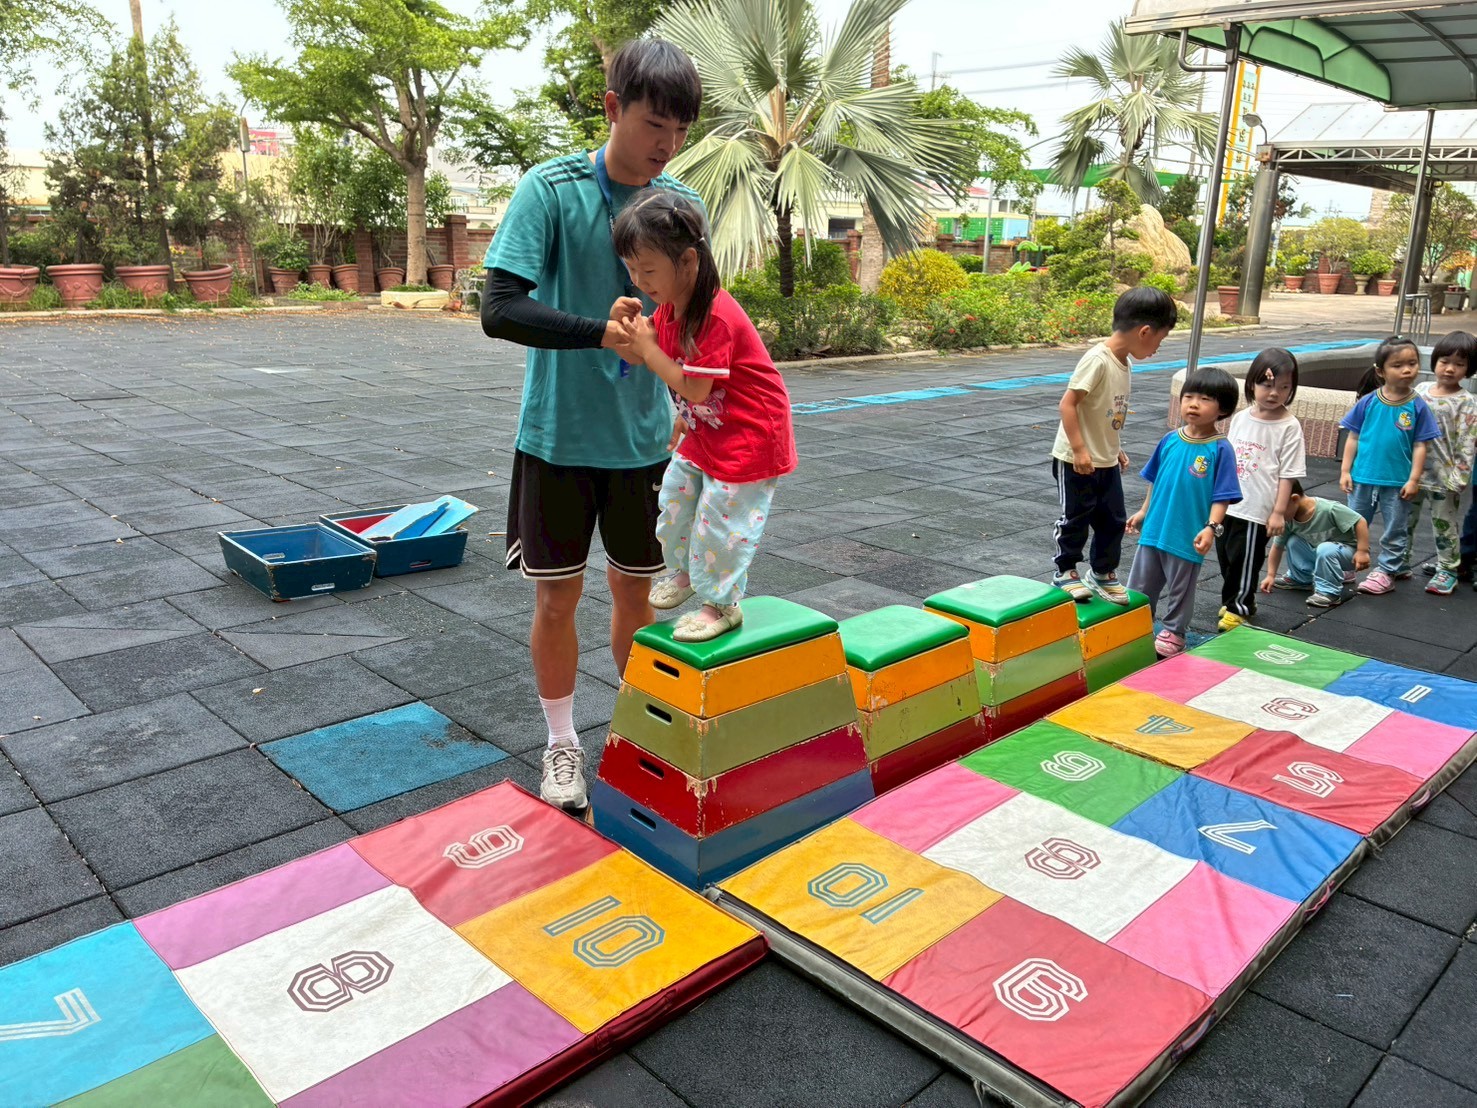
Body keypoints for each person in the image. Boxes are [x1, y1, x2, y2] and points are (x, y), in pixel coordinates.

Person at [480, 40, 704, 812]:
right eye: (653, 125)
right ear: (612, 108)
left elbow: (694, 319)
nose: (666, 145)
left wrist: (689, 409)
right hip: (558, 439)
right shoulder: (551, 190)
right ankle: (561, 744)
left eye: (680, 130)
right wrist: (599, 333)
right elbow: (498, 308)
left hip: (644, 445)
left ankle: (640, 735)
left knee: (637, 600)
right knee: (556, 600)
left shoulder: (680, 204)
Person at [610, 192, 796, 642]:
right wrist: (623, 327)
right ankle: (688, 573)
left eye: (648, 270)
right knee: (674, 499)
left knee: (722, 523)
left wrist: (649, 347)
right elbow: (638, 356)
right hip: (708, 430)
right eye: (631, 269)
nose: (638, 281)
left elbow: (694, 387)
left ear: (688, 260)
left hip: (749, 435)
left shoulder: (715, 314)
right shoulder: (671, 307)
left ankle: (722, 604)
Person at [1049, 286, 1179, 604]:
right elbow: (1068, 404)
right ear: (1144, 331)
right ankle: (1065, 570)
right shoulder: (1098, 360)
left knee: (1113, 519)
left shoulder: (1124, 363)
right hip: (1076, 459)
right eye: (1160, 340)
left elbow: (1104, 413)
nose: (1158, 348)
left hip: (1104, 458)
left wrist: (1114, 446)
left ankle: (1102, 572)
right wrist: (1079, 450)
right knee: (1076, 517)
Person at [1126, 367, 1242, 657]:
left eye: (1204, 399)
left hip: (1186, 533)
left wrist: (1210, 527)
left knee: (1181, 587)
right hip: (1155, 528)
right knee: (1140, 584)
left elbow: (1222, 496)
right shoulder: (1170, 440)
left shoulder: (1220, 449)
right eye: (1188, 396)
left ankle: (1174, 631)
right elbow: (1155, 480)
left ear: (1222, 409)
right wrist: (1143, 512)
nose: (1193, 404)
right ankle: (1137, 623)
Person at [1338, 336, 1440, 596]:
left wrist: (1413, 479)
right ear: (1381, 371)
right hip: (1362, 477)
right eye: (1398, 365)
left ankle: (1387, 569)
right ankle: (1349, 563)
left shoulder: (1417, 405)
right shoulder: (1369, 402)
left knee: (1395, 527)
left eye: (1412, 363)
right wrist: (1346, 471)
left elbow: (1420, 445)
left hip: (1397, 481)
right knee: (1353, 523)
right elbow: (1353, 437)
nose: (1407, 370)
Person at [1216, 348, 1306, 632]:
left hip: (1257, 509)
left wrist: (1278, 512)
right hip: (1230, 503)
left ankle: (1239, 607)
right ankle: (1236, 598)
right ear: (1252, 383)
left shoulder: (1289, 426)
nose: (1274, 393)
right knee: (1226, 555)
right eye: (1267, 385)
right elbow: (1228, 459)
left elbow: (1288, 474)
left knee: (1245, 560)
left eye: (1284, 387)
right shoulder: (1241, 418)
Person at [1408, 331, 1477, 595]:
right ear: (1435, 361)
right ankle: (1398, 561)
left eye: (1459, 364)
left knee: (1444, 525)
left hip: (1444, 477)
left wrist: (1460, 477)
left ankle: (1447, 569)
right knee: (1404, 521)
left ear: (1468, 369)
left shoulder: (1466, 402)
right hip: (1412, 474)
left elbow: (1468, 442)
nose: (1449, 369)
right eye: (1444, 361)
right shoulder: (1419, 392)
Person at [1262, 480, 1371, 607]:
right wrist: (1270, 575)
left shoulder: (1328, 509)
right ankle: (1300, 579)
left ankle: (1328, 592)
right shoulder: (1287, 520)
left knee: (1325, 549)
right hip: (1322, 551)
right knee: (1293, 541)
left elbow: (1360, 521)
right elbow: (1277, 547)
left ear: (1294, 499)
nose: (1273, 517)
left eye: (1276, 510)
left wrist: (1362, 551)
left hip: (1350, 555)